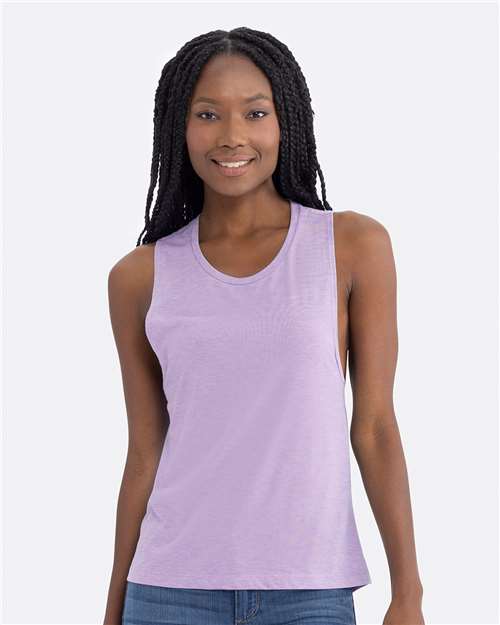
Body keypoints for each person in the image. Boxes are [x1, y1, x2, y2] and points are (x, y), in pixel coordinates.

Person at [103, 27, 425, 625]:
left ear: (287, 122)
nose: (232, 136)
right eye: (207, 114)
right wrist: (113, 607)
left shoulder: (351, 246)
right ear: (178, 126)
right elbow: (145, 450)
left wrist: (408, 594)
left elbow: (376, 426)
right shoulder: (139, 276)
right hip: (169, 591)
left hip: (310, 592)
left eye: (255, 113)